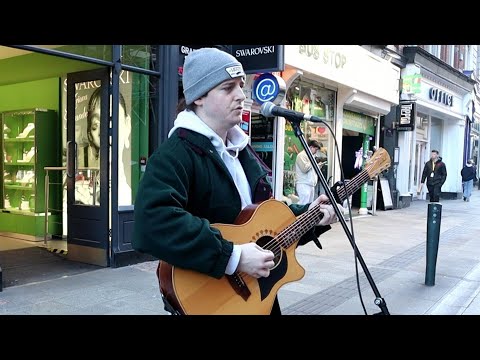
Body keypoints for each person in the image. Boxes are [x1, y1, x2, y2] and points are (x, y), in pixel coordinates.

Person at [132, 47, 340, 315]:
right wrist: (234, 256)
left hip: (255, 297)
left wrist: (310, 217)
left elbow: (258, 222)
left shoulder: (241, 151)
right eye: (228, 87)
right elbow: (152, 222)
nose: (241, 95)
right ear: (199, 98)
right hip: (211, 298)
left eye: (241, 86)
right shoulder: (177, 153)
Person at [295, 139, 322, 205]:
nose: (316, 152)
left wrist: (318, 166)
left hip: (310, 184)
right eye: (315, 149)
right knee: (303, 204)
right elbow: (304, 169)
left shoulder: (312, 156)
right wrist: (312, 161)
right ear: (311, 147)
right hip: (303, 184)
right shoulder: (301, 155)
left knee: (309, 205)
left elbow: (310, 169)